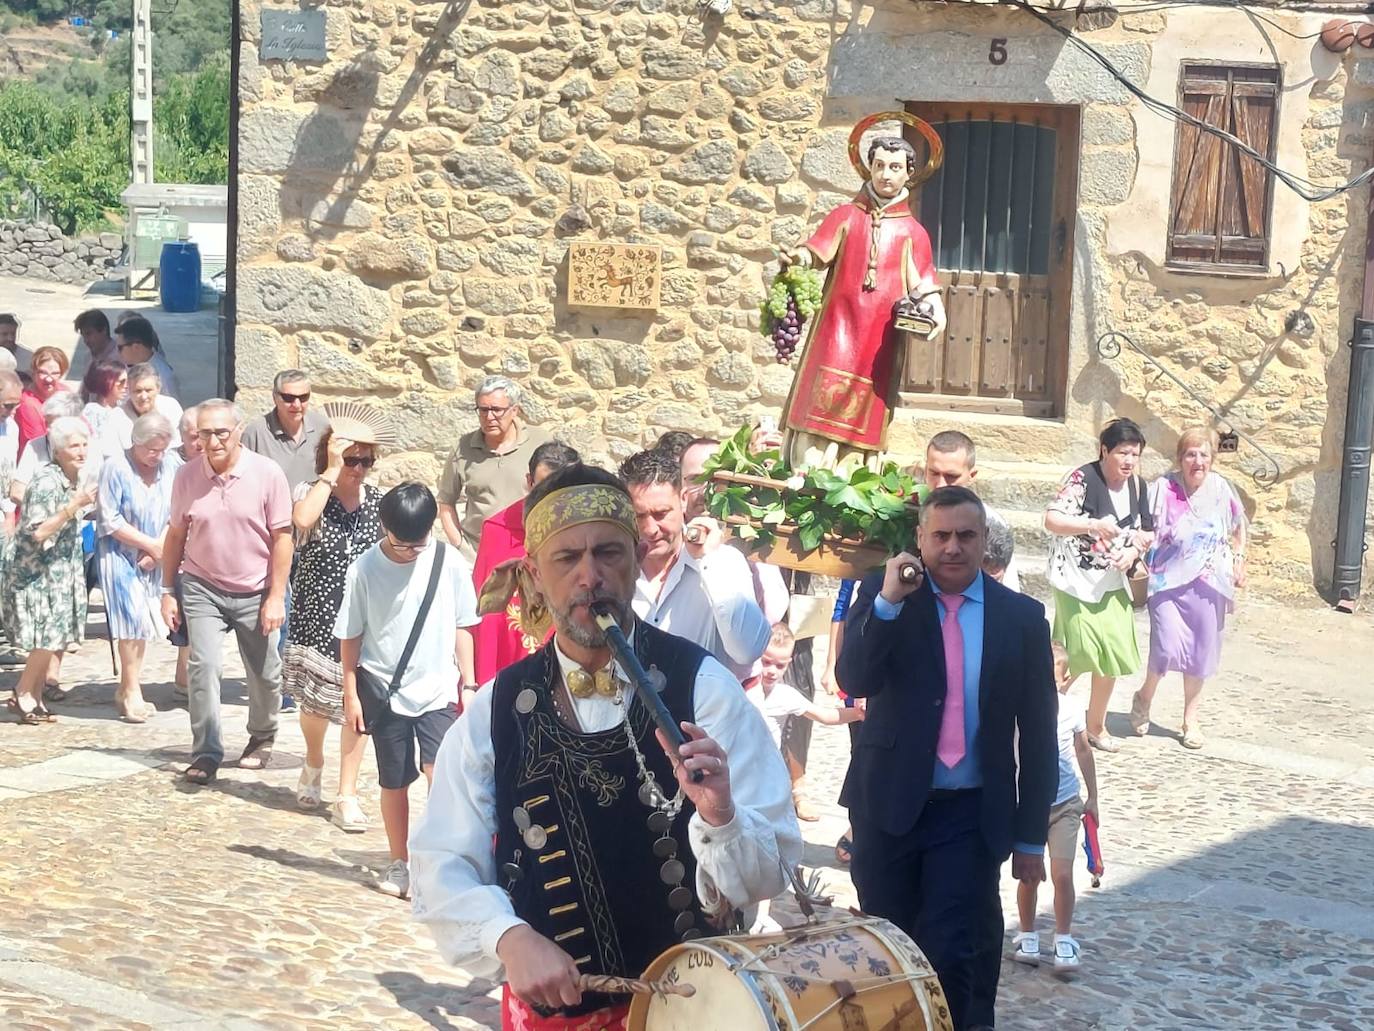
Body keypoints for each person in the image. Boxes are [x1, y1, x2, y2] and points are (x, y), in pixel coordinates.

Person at [409, 462, 800, 1028]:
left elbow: (773, 866)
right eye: (567, 558)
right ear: (535, 575)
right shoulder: (496, 708)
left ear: (636, 559)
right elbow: (443, 859)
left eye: (608, 553)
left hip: (694, 1012)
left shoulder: (703, 687)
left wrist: (723, 815)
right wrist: (509, 937)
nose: (590, 576)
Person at [838, 485, 1058, 1031]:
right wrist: (887, 601)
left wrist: (1032, 837)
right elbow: (853, 678)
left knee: (954, 949)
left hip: (970, 812)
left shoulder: (1021, 619)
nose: (953, 548)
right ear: (920, 539)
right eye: (941, 536)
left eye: (965, 536)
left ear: (984, 541)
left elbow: (1039, 733)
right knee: (885, 946)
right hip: (888, 806)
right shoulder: (885, 596)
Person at [337, 483, 479, 898]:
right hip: (385, 690)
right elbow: (351, 635)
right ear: (384, 528)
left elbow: (463, 625)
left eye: (419, 545)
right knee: (394, 781)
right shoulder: (364, 568)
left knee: (441, 776)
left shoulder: (449, 563)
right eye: (402, 546)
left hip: (437, 690)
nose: (411, 553)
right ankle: (400, 862)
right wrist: (350, 692)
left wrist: (468, 684)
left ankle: (439, 861)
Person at [776, 137, 945, 471]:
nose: (885, 174)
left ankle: (850, 473)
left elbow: (923, 281)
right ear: (869, 167)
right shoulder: (845, 216)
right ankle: (804, 470)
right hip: (835, 329)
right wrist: (797, 258)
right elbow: (815, 251)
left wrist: (934, 309)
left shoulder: (913, 232)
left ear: (908, 173)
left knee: (867, 404)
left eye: (895, 167)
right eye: (879, 165)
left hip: (878, 339)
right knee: (818, 399)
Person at [161, 400, 293, 785]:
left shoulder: (267, 473)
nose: (213, 441)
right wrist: (168, 589)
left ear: (238, 431)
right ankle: (206, 751)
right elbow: (175, 535)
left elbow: (282, 537)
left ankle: (262, 736)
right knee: (202, 667)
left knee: (266, 672)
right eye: (204, 433)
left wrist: (275, 596)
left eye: (221, 432)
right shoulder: (187, 476)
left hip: (255, 587)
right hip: (203, 586)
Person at [283, 406, 392, 833]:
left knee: (356, 709)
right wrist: (330, 472)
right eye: (352, 459)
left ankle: (346, 793)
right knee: (313, 706)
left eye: (366, 460)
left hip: (364, 623)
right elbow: (302, 521)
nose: (359, 469)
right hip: (316, 616)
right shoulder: (310, 491)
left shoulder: (380, 503)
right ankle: (313, 759)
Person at [1129, 427, 1248, 750]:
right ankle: (1144, 697)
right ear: (1180, 458)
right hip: (1167, 579)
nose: (1197, 461)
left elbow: (1238, 530)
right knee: (1166, 647)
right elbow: (1143, 527)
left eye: (1204, 454)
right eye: (1191, 454)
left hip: (1211, 581)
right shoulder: (1163, 488)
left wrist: (1238, 562)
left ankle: (1190, 719)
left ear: (1213, 458)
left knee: (1200, 653)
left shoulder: (1222, 489)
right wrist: (1135, 553)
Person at [1044, 418, 1154, 753]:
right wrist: (1091, 525)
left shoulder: (1138, 486)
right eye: (1122, 452)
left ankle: (1095, 725)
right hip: (1075, 581)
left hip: (1113, 582)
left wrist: (1134, 550)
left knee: (1111, 655)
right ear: (1104, 450)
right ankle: (1045, 713)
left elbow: (1147, 530)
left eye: (1134, 454)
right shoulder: (1082, 479)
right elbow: (1051, 520)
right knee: (1079, 652)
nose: (1128, 461)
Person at [619, 448, 770, 679]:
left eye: (661, 514)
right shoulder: (613, 569)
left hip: (700, 712)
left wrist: (708, 562)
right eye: (639, 516)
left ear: (683, 499)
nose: (650, 529)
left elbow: (748, 650)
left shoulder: (723, 561)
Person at [2, 417, 96, 724]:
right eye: (73, 446)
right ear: (57, 451)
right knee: (46, 637)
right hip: (38, 573)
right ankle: (23, 692)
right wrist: (73, 507)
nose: (81, 451)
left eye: (84, 444)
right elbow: (38, 532)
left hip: (60, 571)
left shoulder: (73, 479)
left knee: (55, 637)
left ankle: (34, 695)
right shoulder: (46, 481)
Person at [1012, 650, 1097, 974]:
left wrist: (1093, 797)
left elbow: (1083, 750)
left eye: (1054, 676)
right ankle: (1027, 932)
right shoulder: (1019, 707)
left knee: (1063, 875)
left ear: (1065, 679)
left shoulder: (1073, 709)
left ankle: (1063, 937)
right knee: (1029, 875)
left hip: (1065, 803)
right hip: (1027, 805)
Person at [471, 439, 581, 686]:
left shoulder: (588, 532)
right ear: (529, 482)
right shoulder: (498, 530)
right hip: (512, 662)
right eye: (544, 488)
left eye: (562, 490)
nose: (552, 500)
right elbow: (487, 617)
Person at [95, 412, 180, 723]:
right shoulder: (115, 467)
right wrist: (149, 545)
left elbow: (179, 508)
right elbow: (109, 519)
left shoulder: (171, 465)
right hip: (120, 554)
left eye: (162, 450)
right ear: (136, 443)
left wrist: (159, 548)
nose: (156, 457)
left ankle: (127, 686)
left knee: (144, 622)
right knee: (131, 617)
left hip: (158, 550)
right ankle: (131, 690)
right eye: (150, 450)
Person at [437, 376, 551, 558]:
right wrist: (460, 547)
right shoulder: (462, 448)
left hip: (530, 552)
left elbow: (558, 496)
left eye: (496, 410)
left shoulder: (541, 443)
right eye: (483, 410)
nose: (489, 417)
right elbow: (445, 503)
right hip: (478, 554)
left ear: (514, 410)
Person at [924, 431, 1021, 591]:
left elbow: (1007, 592)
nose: (940, 484)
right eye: (934, 473)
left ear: (972, 475)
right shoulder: (906, 514)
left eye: (951, 476)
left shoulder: (990, 522)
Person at [240, 370, 331, 491]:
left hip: (314, 508)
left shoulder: (323, 428)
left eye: (303, 397)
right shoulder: (255, 433)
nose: (297, 404)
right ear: (275, 398)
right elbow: (243, 481)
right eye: (289, 398)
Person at [10, 393, 85, 506]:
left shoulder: (88, 448)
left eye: (55, 424)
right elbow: (17, 491)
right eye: (46, 422)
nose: (49, 429)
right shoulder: (35, 445)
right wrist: (47, 511)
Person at [102, 363, 183, 453]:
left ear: (158, 388)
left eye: (148, 390)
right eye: (138, 391)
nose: (143, 397)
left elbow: (180, 445)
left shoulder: (172, 407)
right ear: (129, 390)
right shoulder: (116, 418)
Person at [14, 346, 70, 453]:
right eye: (43, 373)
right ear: (33, 372)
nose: (48, 379)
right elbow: (38, 444)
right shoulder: (27, 403)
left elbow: (83, 427)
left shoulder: (65, 393)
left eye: (55, 373)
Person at [114, 316, 181, 401]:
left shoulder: (164, 376)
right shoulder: (124, 367)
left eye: (120, 348)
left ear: (136, 347)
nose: (117, 352)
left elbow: (172, 410)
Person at [80, 359, 129, 456]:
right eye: (121, 382)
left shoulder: (121, 409)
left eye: (127, 381)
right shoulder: (93, 413)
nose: (126, 386)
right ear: (107, 382)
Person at [69, 308, 118, 385]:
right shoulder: (88, 357)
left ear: (103, 330)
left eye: (88, 334)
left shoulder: (121, 357)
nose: (85, 340)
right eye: (83, 335)